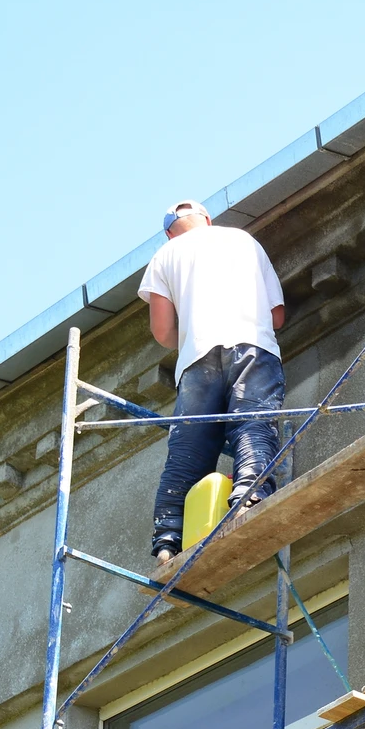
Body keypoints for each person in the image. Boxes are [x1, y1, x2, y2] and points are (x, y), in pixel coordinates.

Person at [138, 199, 288, 564]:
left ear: (168, 232)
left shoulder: (164, 256)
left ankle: (168, 540)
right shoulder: (243, 240)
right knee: (252, 423)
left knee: (189, 447)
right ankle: (248, 494)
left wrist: (189, 338)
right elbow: (278, 315)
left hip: (197, 360)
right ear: (207, 218)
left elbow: (161, 330)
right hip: (252, 346)